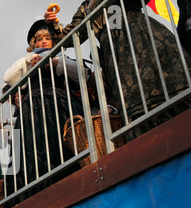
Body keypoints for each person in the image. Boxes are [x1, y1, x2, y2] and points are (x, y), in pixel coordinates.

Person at [44, 0, 191, 140]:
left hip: (141, 37)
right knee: (134, 102)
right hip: (115, 56)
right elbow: (68, 37)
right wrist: (52, 25)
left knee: (164, 85)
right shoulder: (85, 8)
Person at [3, 19, 85, 203]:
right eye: (39, 40)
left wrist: (54, 61)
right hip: (31, 111)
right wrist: (29, 60)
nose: (43, 42)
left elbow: (82, 73)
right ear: (33, 44)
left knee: (60, 145)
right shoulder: (27, 62)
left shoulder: (60, 57)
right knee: (31, 152)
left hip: (58, 106)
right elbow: (8, 77)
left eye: (47, 38)